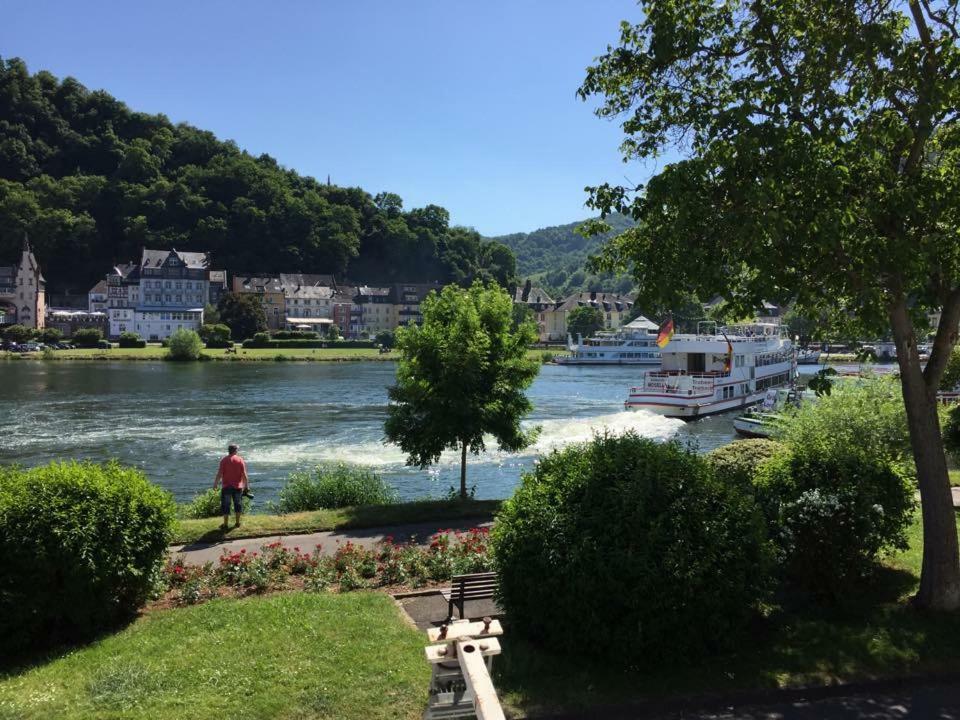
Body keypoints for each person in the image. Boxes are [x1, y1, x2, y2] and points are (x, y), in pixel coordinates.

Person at [214, 443, 249, 530]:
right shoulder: (240, 460)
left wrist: (215, 484)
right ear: (235, 450)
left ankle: (225, 524)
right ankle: (237, 523)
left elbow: (219, 474)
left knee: (226, 505)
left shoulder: (224, 460)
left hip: (226, 487)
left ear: (229, 451)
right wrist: (246, 486)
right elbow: (244, 475)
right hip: (238, 487)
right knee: (238, 504)